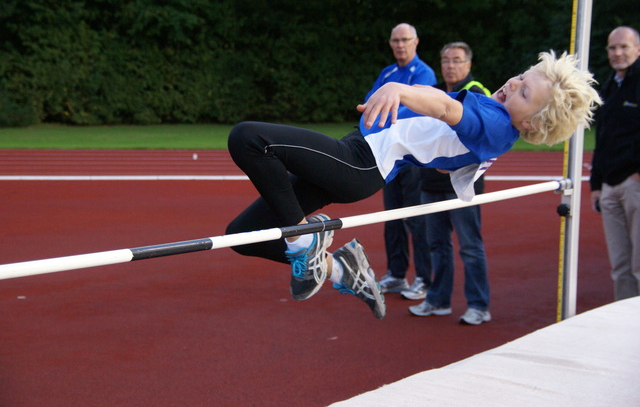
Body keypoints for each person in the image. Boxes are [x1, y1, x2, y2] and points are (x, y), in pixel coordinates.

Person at [226, 51, 600, 321]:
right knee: (243, 235)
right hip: (361, 158)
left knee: (248, 138)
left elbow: (443, 106)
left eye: (524, 93)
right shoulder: (499, 127)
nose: (513, 84)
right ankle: (342, 269)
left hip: (361, 162)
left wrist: (398, 91)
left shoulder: (495, 121)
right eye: (521, 77)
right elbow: (445, 158)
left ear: (533, 124)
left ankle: (301, 242)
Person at [409, 42, 493, 325]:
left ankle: (479, 305)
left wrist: (454, 166)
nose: (450, 66)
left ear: (468, 64)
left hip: (461, 185)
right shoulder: (435, 92)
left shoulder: (477, 92)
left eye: (457, 60)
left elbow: (485, 141)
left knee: (470, 246)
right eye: (446, 60)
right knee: (437, 245)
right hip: (430, 183)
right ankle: (438, 300)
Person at [364, 23, 436, 299]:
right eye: (395, 40)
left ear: (416, 42)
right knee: (391, 217)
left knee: (415, 219)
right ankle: (396, 274)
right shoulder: (388, 73)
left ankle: (423, 278)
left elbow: (416, 113)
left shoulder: (424, 73)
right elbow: (371, 103)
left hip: (413, 160)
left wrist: (389, 113)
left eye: (405, 40)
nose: (400, 45)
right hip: (389, 158)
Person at [590, 26, 640, 301]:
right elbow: (602, 138)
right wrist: (596, 185)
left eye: (624, 46)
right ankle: (624, 318)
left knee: (639, 264)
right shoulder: (609, 86)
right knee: (620, 265)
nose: (618, 52)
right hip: (609, 187)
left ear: (638, 50)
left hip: (634, 184)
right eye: (612, 47)